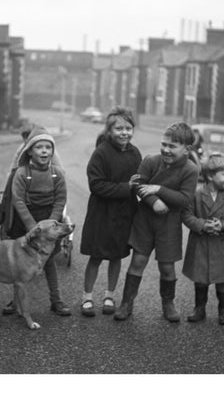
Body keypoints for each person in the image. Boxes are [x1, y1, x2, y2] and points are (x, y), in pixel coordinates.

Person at [114, 122, 199, 322]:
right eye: (164, 144)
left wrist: (158, 189)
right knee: (138, 261)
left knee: (167, 267)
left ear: (187, 149)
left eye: (172, 146)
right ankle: (127, 303)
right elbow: (137, 184)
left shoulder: (191, 169)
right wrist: (154, 202)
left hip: (169, 225)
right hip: (145, 220)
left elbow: (185, 199)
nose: (166, 150)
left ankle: (168, 303)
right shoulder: (151, 160)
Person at [3, 125, 71, 316]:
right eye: (39, 147)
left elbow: (60, 200)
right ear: (30, 151)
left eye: (48, 148)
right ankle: (15, 301)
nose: (44, 151)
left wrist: (51, 224)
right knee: (20, 260)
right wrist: (33, 227)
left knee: (48, 261)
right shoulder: (22, 173)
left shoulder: (57, 173)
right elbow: (18, 200)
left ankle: (56, 300)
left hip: (50, 220)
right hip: (25, 220)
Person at [80, 107, 142, 317]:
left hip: (125, 214)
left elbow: (140, 181)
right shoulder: (101, 153)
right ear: (109, 131)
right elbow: (96, 185)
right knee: (96, 256)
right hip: (102, 214)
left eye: (128, 128)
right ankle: (87, 297)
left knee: (117, 256)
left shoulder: (135, 153)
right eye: (119, 128)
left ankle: (109, 296)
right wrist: (127, 187)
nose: (124, 132)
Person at [182, 152, 224, 325]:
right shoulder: (196, 195)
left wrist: (223, 226)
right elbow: (186, 215)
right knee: (200, 280)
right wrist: (202, 225)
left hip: (223, 246)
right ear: (210, 176)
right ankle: (199, 309)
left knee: (223, 281)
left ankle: (223, 310)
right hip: (201, 244)